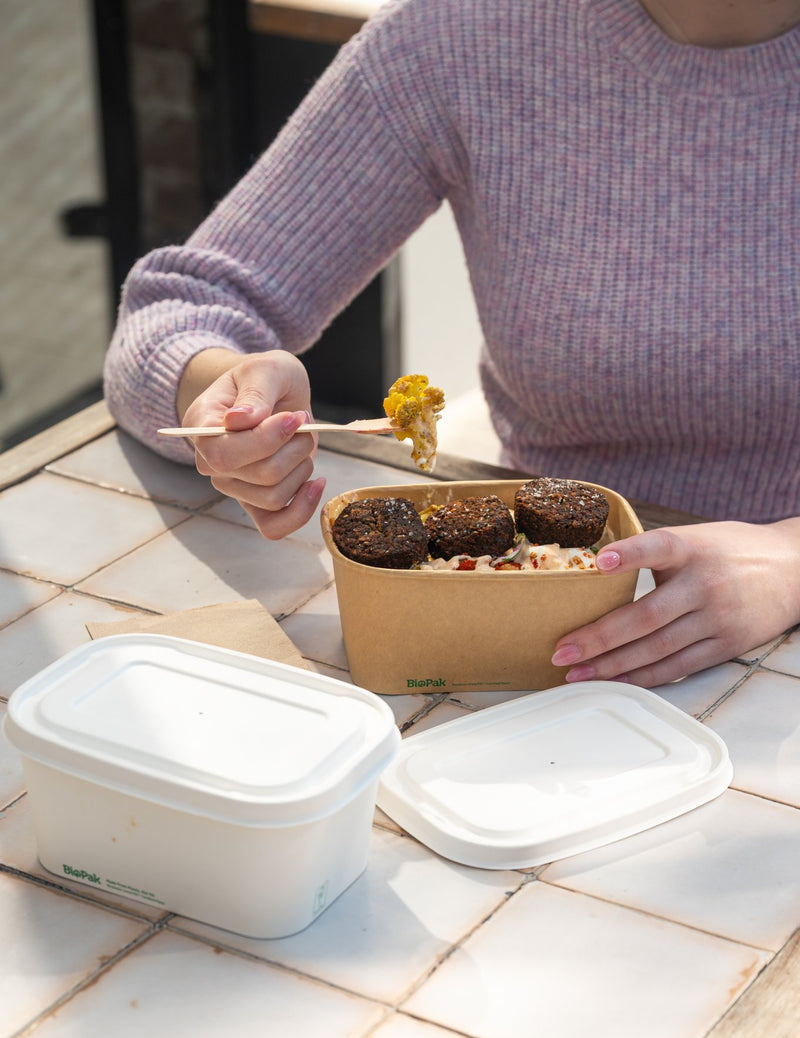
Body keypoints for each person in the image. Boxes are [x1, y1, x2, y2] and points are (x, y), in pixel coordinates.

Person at [104, 0, 800, 702]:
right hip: (533, 643)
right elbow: (169, 318)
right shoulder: (464, 37)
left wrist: (790, 560)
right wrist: (228, 395)